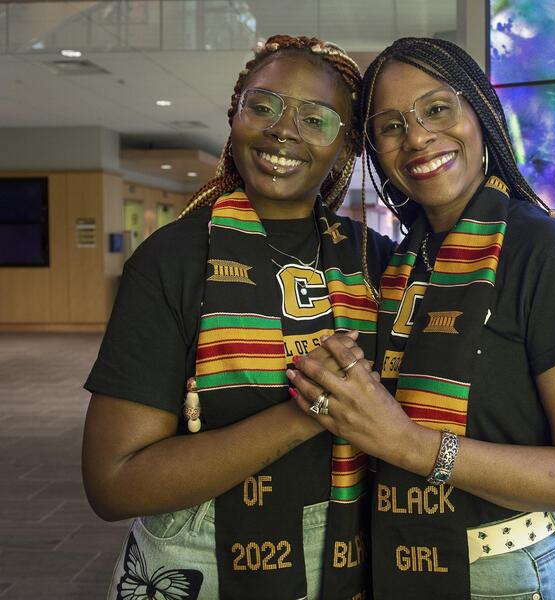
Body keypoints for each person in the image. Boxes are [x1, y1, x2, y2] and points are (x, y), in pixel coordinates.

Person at [287, 37, 555, 600]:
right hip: (404, 565)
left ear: (482, 112)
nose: (418, 137)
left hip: (518, 572)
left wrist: (410, 445)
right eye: (391, 125)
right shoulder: (396, 262)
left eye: (438, 109)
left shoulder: (548, 249)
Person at [81, 35, 396, 600]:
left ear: (344, 144)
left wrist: (533, 231)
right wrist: (312, 410)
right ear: (236, 116)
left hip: (350, 549)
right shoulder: (174, 259)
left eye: (316, 118)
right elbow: (114, 483)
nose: (284, 130)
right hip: (198, 552)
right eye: (264, 106)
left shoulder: (374, 257)